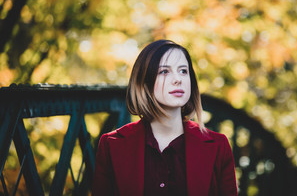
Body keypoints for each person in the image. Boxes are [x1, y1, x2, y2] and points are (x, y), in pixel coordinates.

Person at [92, 40, 237, 196]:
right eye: (164, 71)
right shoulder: (112, 145)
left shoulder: (218, 146)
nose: (178, 79)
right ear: (145, 83)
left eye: (183, 71)